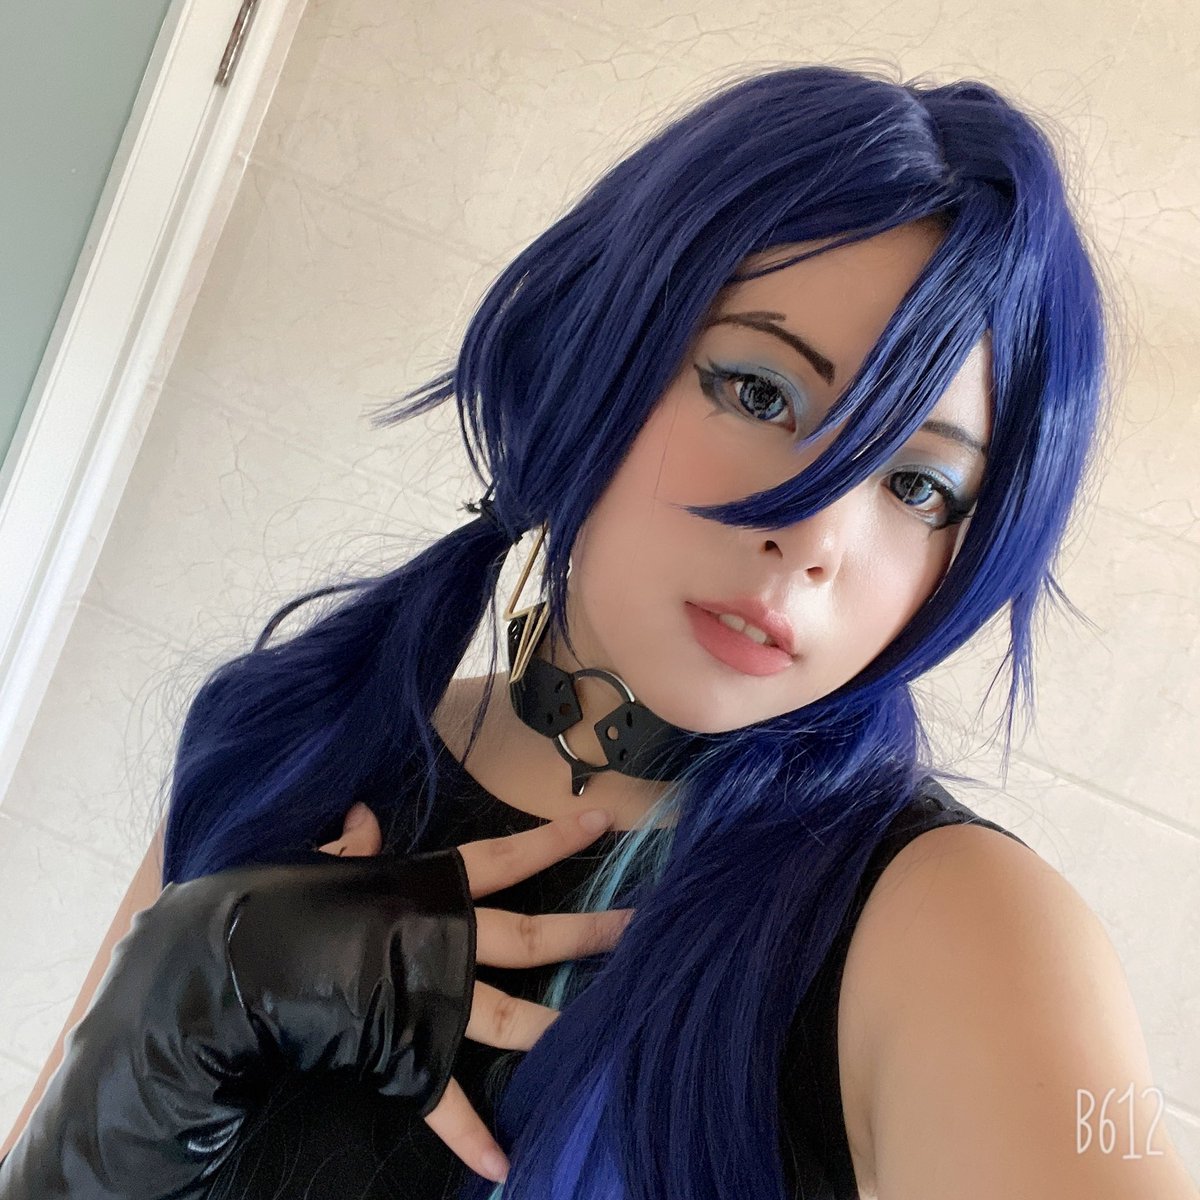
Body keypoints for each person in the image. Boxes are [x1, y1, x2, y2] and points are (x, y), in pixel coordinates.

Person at [2, 62, 1196, 1200]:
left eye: (918, 485)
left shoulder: (960, 927)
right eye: (761, 392)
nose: (817, 535)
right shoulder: (286, 741)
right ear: (601, 353)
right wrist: (179, 1001)